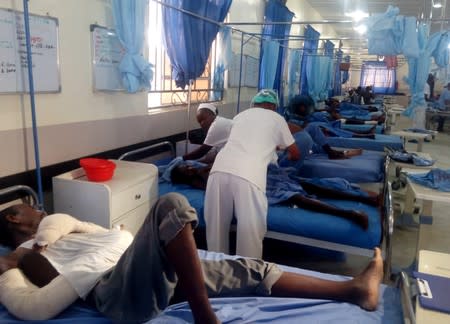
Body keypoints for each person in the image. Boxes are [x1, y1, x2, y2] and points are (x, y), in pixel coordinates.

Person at [0, 196, 383, 323]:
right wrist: (24, 256)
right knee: (170, 206)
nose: (35, 205)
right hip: (113, 289)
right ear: (13, 219)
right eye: (25, 205)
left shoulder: (63, 229)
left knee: (249, 269)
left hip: (138, 273)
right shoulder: (26, 253)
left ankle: (353, 291)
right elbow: (47, 285)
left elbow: (92, 233)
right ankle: (205, 317)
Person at [204, 89, 300, 258]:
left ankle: (216, 270)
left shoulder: (240, 116)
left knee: (216, 228)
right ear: (272, 105)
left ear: (254, 104)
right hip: (249, 176)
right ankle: (247, 275)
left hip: (218, 171)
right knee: (250, 232)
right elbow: (295, 153)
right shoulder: (277, 119)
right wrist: (280, 154)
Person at [170, 160, 381, 229]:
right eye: (185, 168)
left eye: (187, 164)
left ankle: (363, 198)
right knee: (296, 197)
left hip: (261, 177)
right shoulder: (200, 182)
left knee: (309, 185)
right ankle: (349, 214)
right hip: (255, 187)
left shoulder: (206, 166)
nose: (189, 166)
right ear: (185, 177)